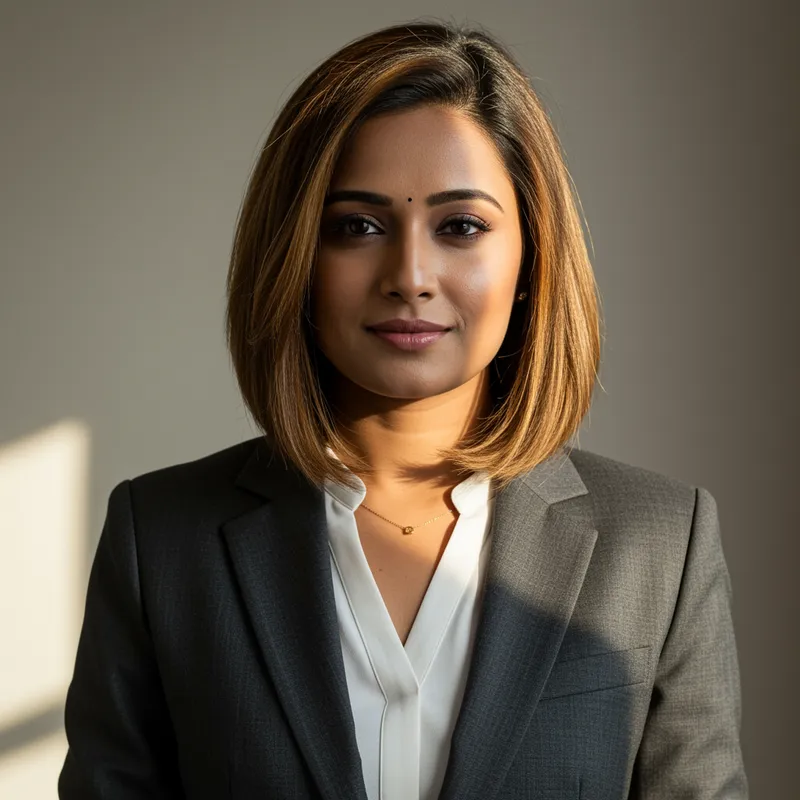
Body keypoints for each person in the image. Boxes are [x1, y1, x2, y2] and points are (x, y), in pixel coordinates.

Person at [58, 19, 748, 800]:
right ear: (295, 258)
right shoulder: (162, 540)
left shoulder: (660, 545)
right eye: (358, 226)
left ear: (531, 259)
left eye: (461, 226)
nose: (410, 275)